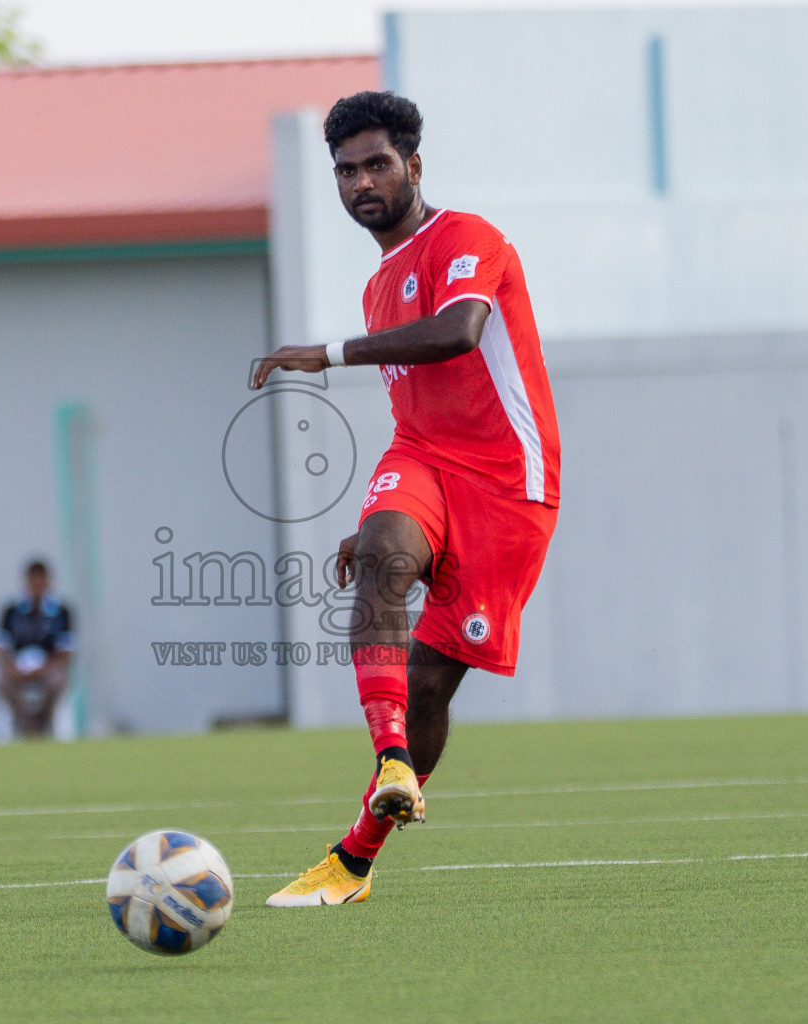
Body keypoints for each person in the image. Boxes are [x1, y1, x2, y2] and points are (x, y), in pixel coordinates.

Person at [250, 91, 561, 906]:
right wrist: (379, 516)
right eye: (345, 171)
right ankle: (391, 758)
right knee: (381, 563)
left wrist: (326, 354)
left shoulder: (466, 238)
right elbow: (411, 413)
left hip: (506, 486)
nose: (361, 182)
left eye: (376, 164)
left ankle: (354, 859)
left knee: (430, 685)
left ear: (413, 166)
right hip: (424, 458)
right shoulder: (379, 284)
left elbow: (457, 332)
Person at [0, 558, 77, 738]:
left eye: (41, 581)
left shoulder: (61, 612)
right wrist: (10, 668)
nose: (37, 585)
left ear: (48, 582)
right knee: (1, 682)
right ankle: (27, 726)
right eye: (33, 581)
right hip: (17, 669)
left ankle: (42, 722)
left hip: (47, 669)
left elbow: (66, 652)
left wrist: (43, 668)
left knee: (58, 681)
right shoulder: (11, 612)